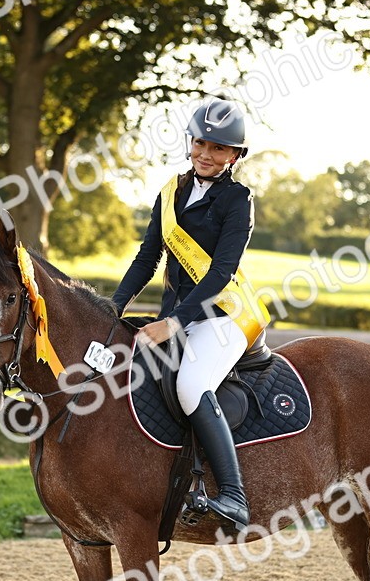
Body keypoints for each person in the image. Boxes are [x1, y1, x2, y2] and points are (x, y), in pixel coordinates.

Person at [112, 97, 265, 533]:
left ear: (235, 156)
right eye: (200, 142)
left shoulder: (239, 200)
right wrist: (113, 306)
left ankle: (233, 495)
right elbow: (147, 258)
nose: (206, 153)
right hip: (178, 314)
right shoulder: (170, 192)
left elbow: (220, 273)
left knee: (192, 384)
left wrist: (173, 323)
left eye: (219, 148)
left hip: (225, 315)